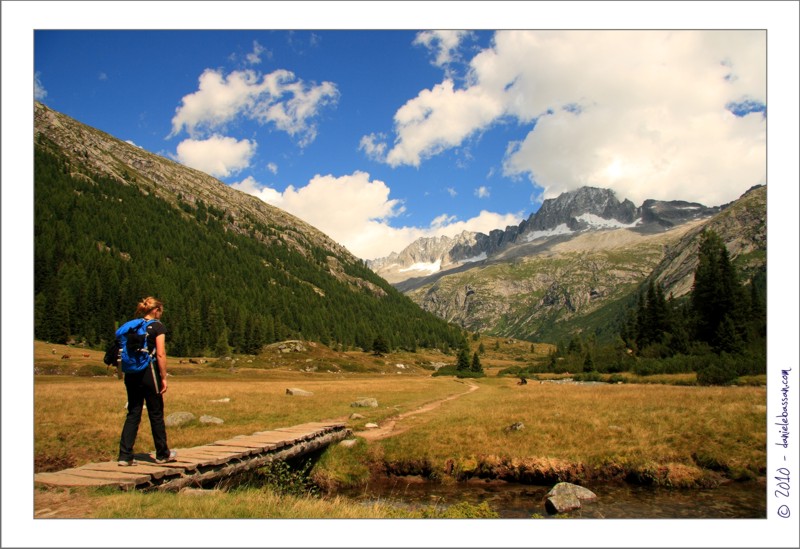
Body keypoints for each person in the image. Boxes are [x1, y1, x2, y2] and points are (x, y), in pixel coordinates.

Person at [118, 296, 177, 466]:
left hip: (131, 373)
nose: (161, 314)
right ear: (156, 310)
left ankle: (125, 456)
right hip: (149, 372)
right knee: (156, 412)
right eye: (161, 311)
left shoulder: (133, 326)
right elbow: (160, 354)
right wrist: (164, 377)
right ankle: (162, 454)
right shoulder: (157, 326)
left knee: (133, 412)